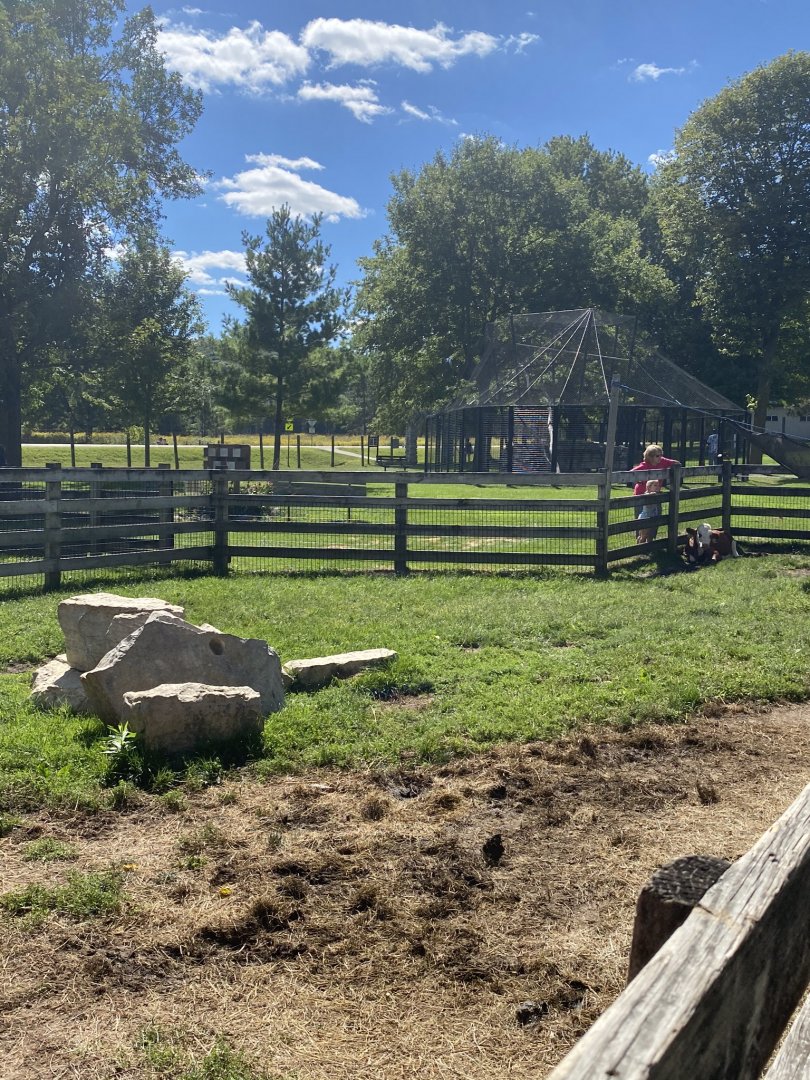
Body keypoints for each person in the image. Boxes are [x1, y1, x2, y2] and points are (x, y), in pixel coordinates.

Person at [631, 444, 680, 541]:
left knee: (656, 518)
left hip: (655, 496)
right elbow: (630, 474)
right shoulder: (643, 466)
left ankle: (651, 542)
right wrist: (639, 481)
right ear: (650, 457)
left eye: (661, 455)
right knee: (642, 521)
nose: (660, 457)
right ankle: (640, 542)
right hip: (641, 496)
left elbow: (676, 463)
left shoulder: (663, 461)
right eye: (657, 456)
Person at [636, 478, 661, 543]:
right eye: (655, 485)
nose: (657, 487)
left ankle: (649, 547)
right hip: (645, 518)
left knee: (650, 536)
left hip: (653, 517)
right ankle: (639, 547)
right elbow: (647, 496)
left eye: (658, 485)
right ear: (649, 487)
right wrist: (652, 494)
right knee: (643, 536)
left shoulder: (657, 494)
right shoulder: (647, 494)